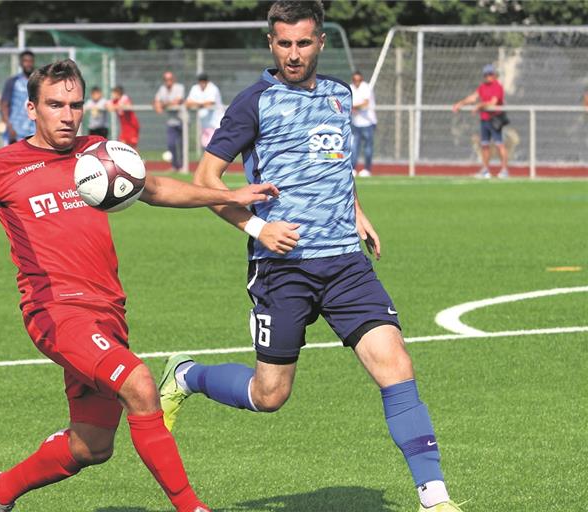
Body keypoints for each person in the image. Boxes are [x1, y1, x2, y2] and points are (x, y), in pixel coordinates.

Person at [0, 59, 277, 512]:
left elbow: (155, 189)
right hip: (55, 312)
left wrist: (226, 195)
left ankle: (0, 491)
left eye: (75, 104)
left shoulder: (100, 154)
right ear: (31, 108)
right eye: (56, 105)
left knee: (91, 446)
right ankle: (192, 508)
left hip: (107, 312)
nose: (68, 115)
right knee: (141, 385)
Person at [158, 3, 465, 512]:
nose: (293, 54)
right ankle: (187, 375)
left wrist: (358, 212)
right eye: (284, 44)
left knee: (397, 365)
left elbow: (338, 165)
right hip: (283, 269)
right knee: (270, 394)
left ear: (320, 42)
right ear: (271, 44)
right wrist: (259, 226)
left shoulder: (340, 95)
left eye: (303, 43)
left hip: (346, 263)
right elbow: (205, 184)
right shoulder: (254, 102)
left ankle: (435, 500)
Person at [452, 64, 509, 179]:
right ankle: (485, 170)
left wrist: (479, 106)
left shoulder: (498, 87)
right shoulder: (482, 87)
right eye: (486, 74)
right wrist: (460, 104)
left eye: (490, 74)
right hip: (484, 120)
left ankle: (504, 170)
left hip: (495, 120)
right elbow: (473, 97)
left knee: (499, 144)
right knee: (484, 145)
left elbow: (493, 102)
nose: (488, 76)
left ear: (494, 75)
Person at [1, 50, 36, 144]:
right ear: (21, 63)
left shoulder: (38, 83)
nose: (28, 64)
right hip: (15, 132)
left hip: (33, 132)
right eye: (25, 61)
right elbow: (4, 105)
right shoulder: (13, 82)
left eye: (30, 61)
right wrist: (9, 127)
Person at [154, 71, 185, 171]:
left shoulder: (179, 87)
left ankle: (183, 166)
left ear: (174, 79)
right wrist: (158, 105)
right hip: (171, 121)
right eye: (166, 79)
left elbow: (177, 101)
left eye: (170, 79)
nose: (168, 81)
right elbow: (156, 101)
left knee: (182, 145)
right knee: (171, 144)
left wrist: (163, 105)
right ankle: (175, 166)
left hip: (182, 119)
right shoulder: (162, 89)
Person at [185, 73, 224, 150]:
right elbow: (187, 103)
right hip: (204, 123)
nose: (202, 83)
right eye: (200, 81)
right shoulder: (195, 88)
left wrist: (196, 103)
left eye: (204, 81)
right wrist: (202, 104)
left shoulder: (213, 88)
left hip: (216, 123)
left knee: (215, 146)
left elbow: (209, 103)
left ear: (207, 81)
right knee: (205, 145)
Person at [350, 70, 377, 177]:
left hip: (368, 123)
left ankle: (367, 169)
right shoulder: (350, 87)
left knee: (368, 148)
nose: (357, 82)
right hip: (355, 123)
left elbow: (365, 103)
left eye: (359, 80)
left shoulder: (366, 87)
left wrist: (353, 107)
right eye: (355, 80)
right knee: (354, 147)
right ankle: (353, 168)